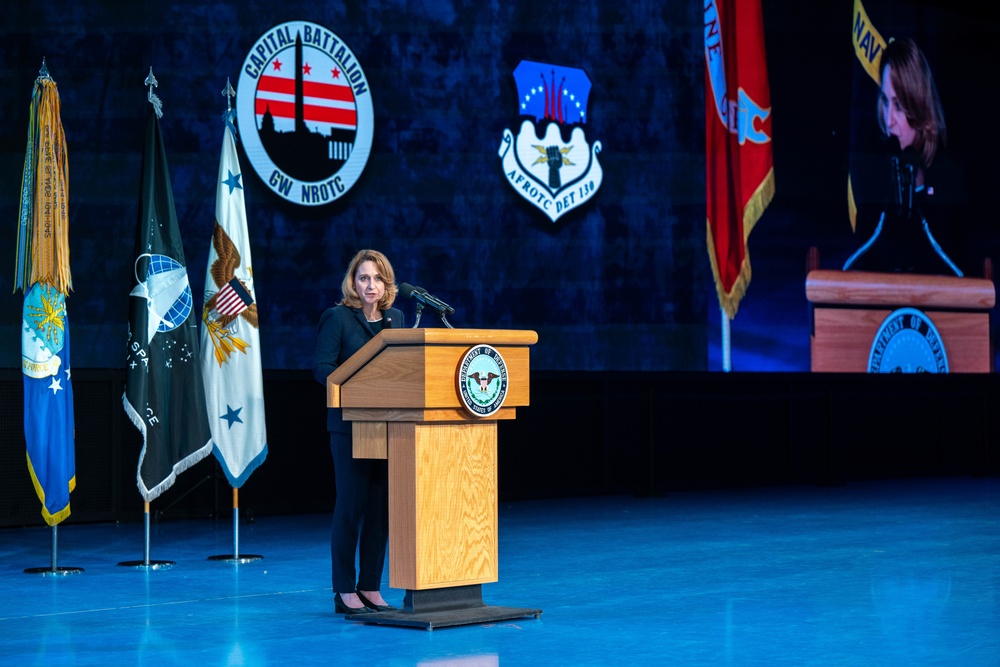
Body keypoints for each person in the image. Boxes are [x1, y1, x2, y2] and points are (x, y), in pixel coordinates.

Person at [313, 249, 406, 616]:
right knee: (350, 509)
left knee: (380, 513)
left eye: (378, 278)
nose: (371, 285)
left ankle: (370, 586)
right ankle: (344, 591)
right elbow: (322, 369)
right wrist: (357, 386)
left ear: (387, 284)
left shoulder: (396, 320)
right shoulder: (337, 318)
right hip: (349, 426)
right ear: (353, 282)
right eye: (364, 277)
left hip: (389, 426)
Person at [844, 37, 969, 276]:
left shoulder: (950, 179)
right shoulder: (873, 180)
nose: (889, 119)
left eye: (899, 106)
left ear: (920, 106)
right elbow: (860, 270)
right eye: (884, 101)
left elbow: (962, 276)